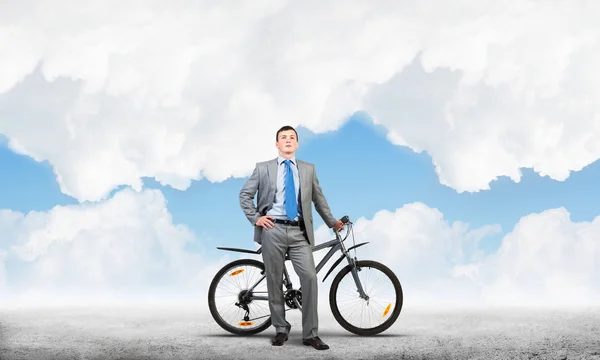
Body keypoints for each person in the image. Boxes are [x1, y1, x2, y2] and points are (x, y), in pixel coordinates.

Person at [239, 125, 344, 350]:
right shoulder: (263, 168)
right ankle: (280, 328)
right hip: (272, 230)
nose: (288, 140)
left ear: (296, 144)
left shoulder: (308, 169)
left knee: (310, 278)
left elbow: (319, 200)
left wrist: (332, 222)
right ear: (277, 144)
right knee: (274, 281)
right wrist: (256, 218)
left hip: (299, 232)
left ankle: (310, 334)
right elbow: (245, 195)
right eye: (283, 138)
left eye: (292, 138)